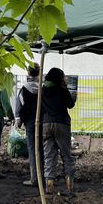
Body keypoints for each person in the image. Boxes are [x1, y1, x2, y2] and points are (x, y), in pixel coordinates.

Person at [41, 67, 76, 195]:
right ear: (59, 78)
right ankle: (69, 185)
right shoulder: (62, 90)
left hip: (46, 124)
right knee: (66, 155)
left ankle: (49, 186)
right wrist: (67, 89)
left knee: (49, 155)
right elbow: (71, 104)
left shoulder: (42, 90)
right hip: (62, 123)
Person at [15, 62, 44, 187]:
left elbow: (19, 107)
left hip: (30, 123)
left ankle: (35, 179)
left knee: (33, 150)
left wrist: (19, 120)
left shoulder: (24, 89)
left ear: (28, 72)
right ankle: (45, 177)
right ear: (39, 72)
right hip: (43, 122)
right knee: (43, 149)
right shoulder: (43, 88)